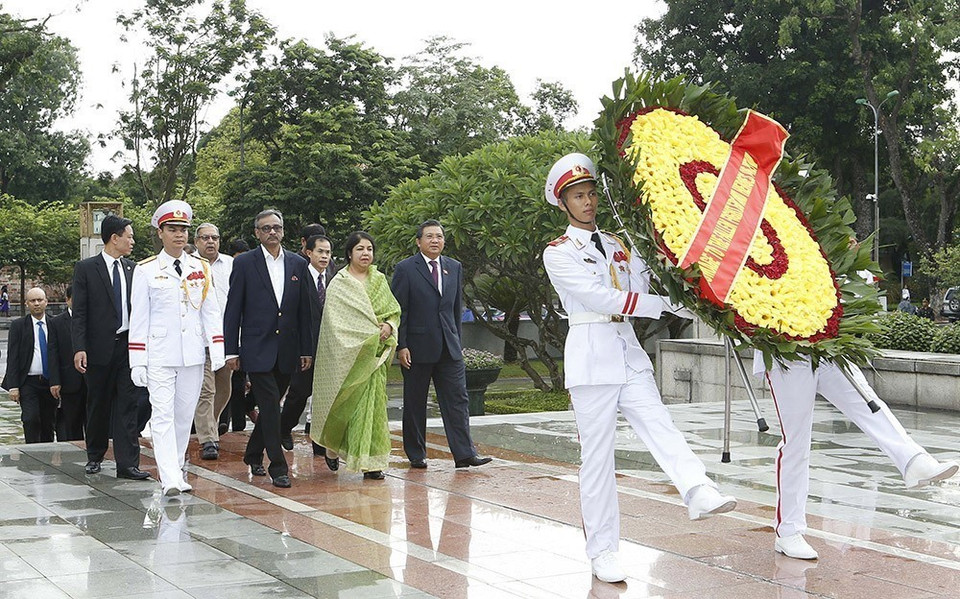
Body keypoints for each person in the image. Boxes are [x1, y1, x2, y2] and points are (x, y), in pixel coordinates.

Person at [541, 153, 736, 583]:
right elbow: (602, 299)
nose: (588, 202)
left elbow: (639, 285)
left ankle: (697, 489)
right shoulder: (558, 253)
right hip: (591, 356)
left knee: (659, 422)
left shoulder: (617, 243)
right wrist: (665, 304)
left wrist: (651, 251)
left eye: (591, 193)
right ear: (563, 203)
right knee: (597, 460)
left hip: (627, 351)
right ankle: (603, 551)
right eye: (578, 196)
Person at [756, 355, 958, 560]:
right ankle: (789, 530)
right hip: (786, 357)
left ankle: (913, 461)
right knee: (796, 442)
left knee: (868, 403)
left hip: (829, 350)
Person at [129, 201, 225, 496]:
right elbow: (139, 318)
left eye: (183, 230)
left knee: (184, 416)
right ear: (160, 232)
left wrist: (218, 349)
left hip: (193, 353)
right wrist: (137, 360)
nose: (179, 235)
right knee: (162, 414)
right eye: (172, 229)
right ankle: (169, 475)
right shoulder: (146, 270)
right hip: (159, 353)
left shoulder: (201, 267)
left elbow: (210, 311)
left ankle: (178, 469)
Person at [391, 219, 492, 469]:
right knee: (415, 403)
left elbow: (455, 309)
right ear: (419, 241)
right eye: (429, 236)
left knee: (458, 400)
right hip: (416, 347)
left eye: (439, 236)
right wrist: (401, 345)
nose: (435, 240)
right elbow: (399, 310)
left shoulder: (453, 267)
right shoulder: (405, 269)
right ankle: (416, 453)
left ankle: (464, 453)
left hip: (449, 346)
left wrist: (456, 340)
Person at [224, 209, 313, 489]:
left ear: (284, 231)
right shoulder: (245, 264)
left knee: (272, 407)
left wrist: (306, 349)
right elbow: (233, 309)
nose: (271, 232)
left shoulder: (298, 264)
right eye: (265, 228)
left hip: (288, 348)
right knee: (271, 406)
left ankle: (252, 454)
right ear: (257, 233)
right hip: (256, 347)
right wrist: (231, 350)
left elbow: (305, 311)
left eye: (276, 227)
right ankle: (278, 465)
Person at [311, 231, 400, 480]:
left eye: (369, 249)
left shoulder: (379, 280)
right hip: (350, 358)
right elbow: (336, 324)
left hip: (376, 358)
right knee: (349, 407)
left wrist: (389, 326)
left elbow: (393, 310)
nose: (365, 254)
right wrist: (368, 335)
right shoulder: (339, 283)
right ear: (349, 253)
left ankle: (372, 463)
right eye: (360, 249)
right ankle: (332, 448)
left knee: (373, 410)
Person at [72, 214, 149, 480]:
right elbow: (79, 312)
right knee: (98, 404)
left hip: (128, 348)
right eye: (129, 236)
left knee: (129, 405)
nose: (133, 241)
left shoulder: (133, 269)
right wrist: (79, 347)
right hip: (99, 348)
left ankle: (128, 464)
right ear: (114, 238)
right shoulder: (86, 269)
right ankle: (95, 455)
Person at [280, 233, 334, 457]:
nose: (324, 256)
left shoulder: (334, 276)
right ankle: (284, 427)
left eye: (328, 252)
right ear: (308, 252)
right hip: (304, 344)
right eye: (320, 252)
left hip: (329, 345)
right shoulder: (298, 274)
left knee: (324, 395)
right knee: (300, 392)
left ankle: (320, 441)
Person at [191, 222, 234, 460]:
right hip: (200, 338)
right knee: (205, 389)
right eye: (205, 238)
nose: (210, 242)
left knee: (224, 388)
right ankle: (208, 438)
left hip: (226, 338)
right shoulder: (189, 265)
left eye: (214, 238)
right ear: (197, 241)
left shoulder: (231, 264)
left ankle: (211, 423)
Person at [2, 287, 57, 442]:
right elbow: (13, 357)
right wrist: (14, 386)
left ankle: (46, 456)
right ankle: (31, 452)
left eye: (40, 300)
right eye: (33, 301)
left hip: (50, 383)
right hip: (28, 382)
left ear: (46, 302)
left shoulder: (55, 324)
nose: (37, 303)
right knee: (30, 419)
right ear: (27, 304)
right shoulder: (19, 326)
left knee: (48, 423)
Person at [48, 285, 87, 441]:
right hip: (69, 381)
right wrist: (55, 381)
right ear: (67, 300)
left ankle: (95, 456)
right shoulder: (56, 323)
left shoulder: (92, 320)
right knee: (71, 424)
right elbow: (53, 353)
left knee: (94, 422)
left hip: (91, 380)